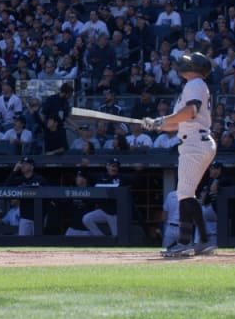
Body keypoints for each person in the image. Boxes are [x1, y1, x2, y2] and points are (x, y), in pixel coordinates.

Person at [142, 52, 217, 257]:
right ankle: (203, 240)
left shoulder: (195, 84)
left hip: (194, 143)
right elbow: (179, 122)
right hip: (195, 140)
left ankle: (185, 242)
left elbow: (191, 112)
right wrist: (157, 124)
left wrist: (162, 119)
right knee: (187, 192)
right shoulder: (196, 85)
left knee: (184, 193)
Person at [82, 158, 129, 237]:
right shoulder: (101, 177)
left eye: (116, 167)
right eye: (112, 166)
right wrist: (84, 167)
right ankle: (101, 238)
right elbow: (87, 175)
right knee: (86, 219)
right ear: (107, 166)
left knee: (116, 237)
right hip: (103, 210)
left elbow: (134, 179)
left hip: (115, 213)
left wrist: (139, 171)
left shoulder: (121, 178)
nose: (114, 168)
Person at [5, 155, 47, 236]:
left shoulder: (40, 179)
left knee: (38, 242)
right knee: (22, 242)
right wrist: (14, 170)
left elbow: (48, 197)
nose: (22, 165)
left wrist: (44, 214)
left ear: (32, 167)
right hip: (25, 217)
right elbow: (6, 188)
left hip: (38, 216)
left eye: (26, 164)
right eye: (22, 163)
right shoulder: (19, 180)